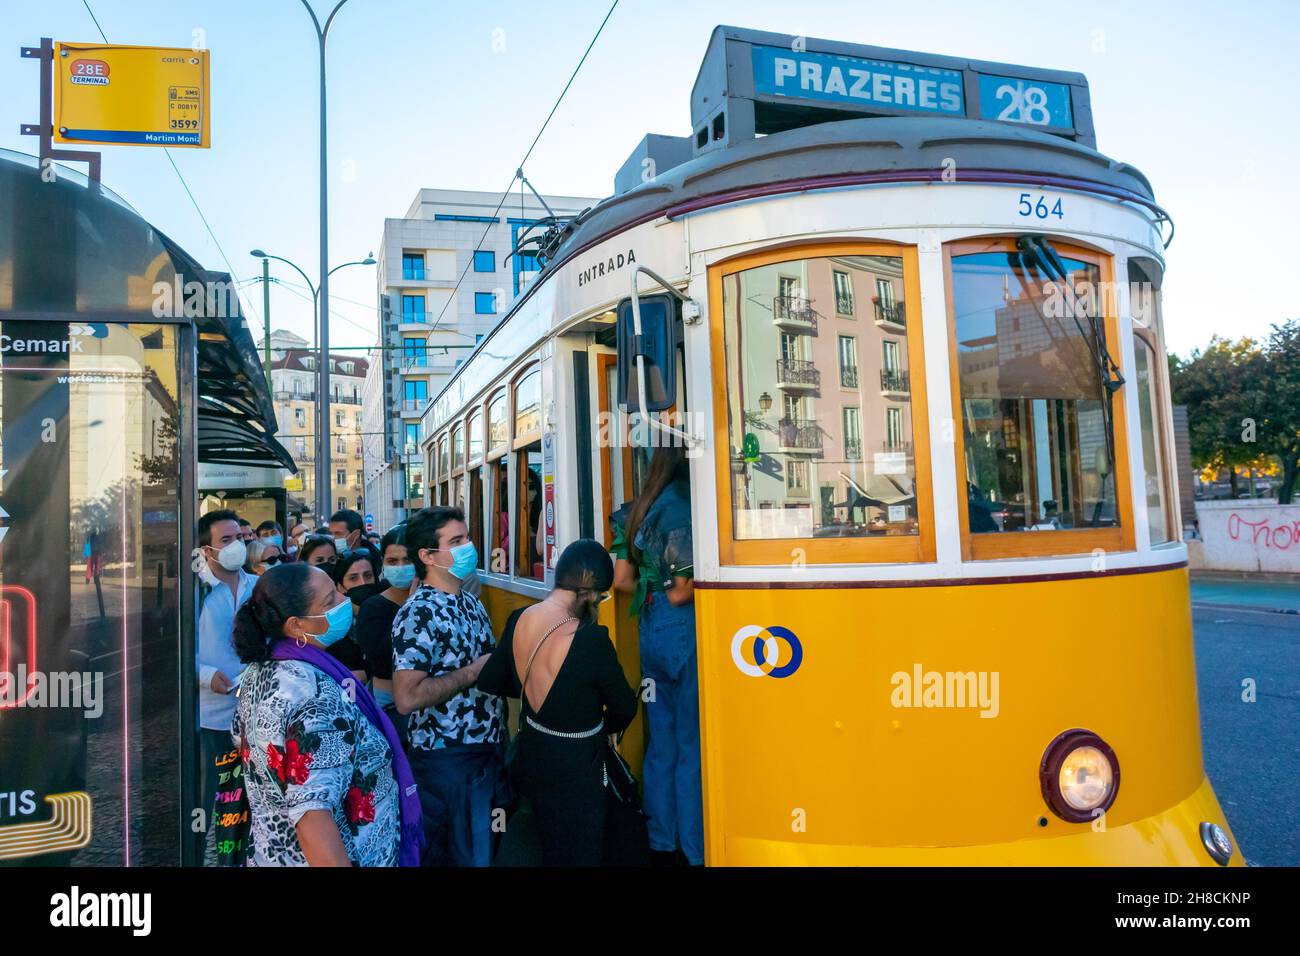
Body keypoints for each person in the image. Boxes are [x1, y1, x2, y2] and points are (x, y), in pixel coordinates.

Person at [230, 562, 422, 866]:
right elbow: (312, 816)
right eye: (330, 601)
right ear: (296, 625)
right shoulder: (314, 696)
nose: (344, 602)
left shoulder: (263, 669)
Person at [479, 540, 637, 866]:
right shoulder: (591, 639)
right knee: (583, 850)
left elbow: (491, 680)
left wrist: (531, 682)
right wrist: (602, 728)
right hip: (578, 766)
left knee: (547, 843)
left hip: (534, 754)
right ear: (589, 593)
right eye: (601, 596)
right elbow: (624, 706)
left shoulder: (519, 617)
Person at [392, 506, 506, 867]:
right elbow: (407, 697)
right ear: (426, 555)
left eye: (467, 538)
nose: (467, 547)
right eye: (455, 541)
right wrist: (472, 673)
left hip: (485, 752)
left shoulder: (469, 602)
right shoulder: (419, 613)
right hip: (446, 759)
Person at [611, 445, 701, 866]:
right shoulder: (682, 503)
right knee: (690, 744)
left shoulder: (642, 505)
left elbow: (622, 579)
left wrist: (655, 591)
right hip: (682, 630)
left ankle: (662, 841)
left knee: (661, 744)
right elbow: (681, 592)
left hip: (651, 628)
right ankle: (695, 848)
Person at [195, 509, 255, 865]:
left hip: (251, 719)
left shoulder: (257, 586)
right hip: (209, 720)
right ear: (207, 550)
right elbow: (177, 651)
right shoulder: (196, 592)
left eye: (240, 538)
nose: (236, 546)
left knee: (238, 806)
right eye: (226, 540)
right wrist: (206, 675)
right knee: (205, 801)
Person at [356, 525, 415, 741]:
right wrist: (412, 608)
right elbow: (382, 662)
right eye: (392, 561)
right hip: (389, 704)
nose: (400, 567)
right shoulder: (374, 606)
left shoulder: (436, 601)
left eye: (407, 560)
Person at [327, 550, 380, 685]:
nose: (362, 583)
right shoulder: (333, 627)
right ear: (340, 586)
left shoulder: (389, 615)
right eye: (353, 578)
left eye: (368, 575)